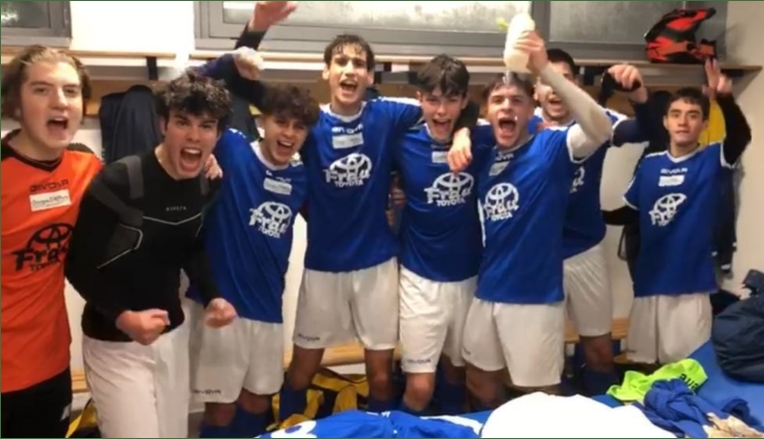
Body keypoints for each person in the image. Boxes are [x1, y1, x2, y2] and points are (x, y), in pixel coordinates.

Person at [215, 10, 476, 418]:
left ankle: (384, 429)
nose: (350, 69)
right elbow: (234, 81)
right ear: (327, 72)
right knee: (300, 372)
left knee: (382, 378)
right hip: (323, 265)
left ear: (370, 76)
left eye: (359, 63)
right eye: (341, 61)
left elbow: (457, 104)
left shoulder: (388, 114)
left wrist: (462, 132)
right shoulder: (307, 121)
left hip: (377, 264)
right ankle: (291, 426)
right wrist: (256, 28)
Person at [65, 70, 238, 438]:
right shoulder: (119, 181)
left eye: (206, 126)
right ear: (163, 124)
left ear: (218, 134)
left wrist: (214, 296)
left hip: (172, 336)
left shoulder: (206, 182)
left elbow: (190, 245)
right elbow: (77, 265)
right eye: (182, 122)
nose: (194, 136)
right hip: (114, 341)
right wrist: (123, 317)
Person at [447, 30, 613, 409]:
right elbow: (456, 116)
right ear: (488, 112)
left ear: (530, 109)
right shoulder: (485, 153)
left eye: (517, 100)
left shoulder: (551, 146)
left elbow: (601, 129)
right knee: (478, 380)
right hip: (488, 289)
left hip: (535, 295)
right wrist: (461, 133)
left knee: (540, 396)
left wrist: (546, 71)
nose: (507, 107)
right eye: (498, 101)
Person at [189, 60, 320, 439]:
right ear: (263, 121)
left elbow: (330, 219)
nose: (289, 133)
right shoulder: (232, 149)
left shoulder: (301, 177)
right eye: (281, 122)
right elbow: (193, 85)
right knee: (221, 407)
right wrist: (231, 60)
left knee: (258, 402)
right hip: (221, 305)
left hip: (268, 306)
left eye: (298, 127)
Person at [528, 49, 654, 395]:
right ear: (536, 89)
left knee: (600, 352)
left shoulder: (595, 118)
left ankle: (603, 414)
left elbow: (644, 130)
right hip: (537, 257)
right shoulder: (522, 121)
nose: (556, 89)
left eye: (565, 80)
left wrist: (638, 94)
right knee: (543, 361)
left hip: (585, 249)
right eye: (548, 81)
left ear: (577, 86)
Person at [620, 59, 752, 366]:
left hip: (691, 286)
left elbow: (740, 136)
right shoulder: (650, 164)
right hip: (649, 283)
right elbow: (630, 214)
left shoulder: (713, 158)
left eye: (693, 116)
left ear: (704, 124)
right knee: (643, 367)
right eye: (676, 114)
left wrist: (725, 99)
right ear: (665, 122)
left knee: (686, 369)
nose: (683, 122)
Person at [1, 44, 99, 439]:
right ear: (16, 103)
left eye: (70, 91)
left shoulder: (86, 166)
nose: (60, 101)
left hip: (50, 364)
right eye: (41, 90)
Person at [394, 54, 484, 415]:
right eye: (432, 100)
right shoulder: (403, 141)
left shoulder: (480, 140)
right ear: (420, 99)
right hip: (419, 277)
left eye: (451, 100)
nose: (442, 110)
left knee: (458, 373)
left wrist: (465, 131)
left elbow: (519, 122)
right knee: (419, 387)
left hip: (469, 276)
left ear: (463, 101)